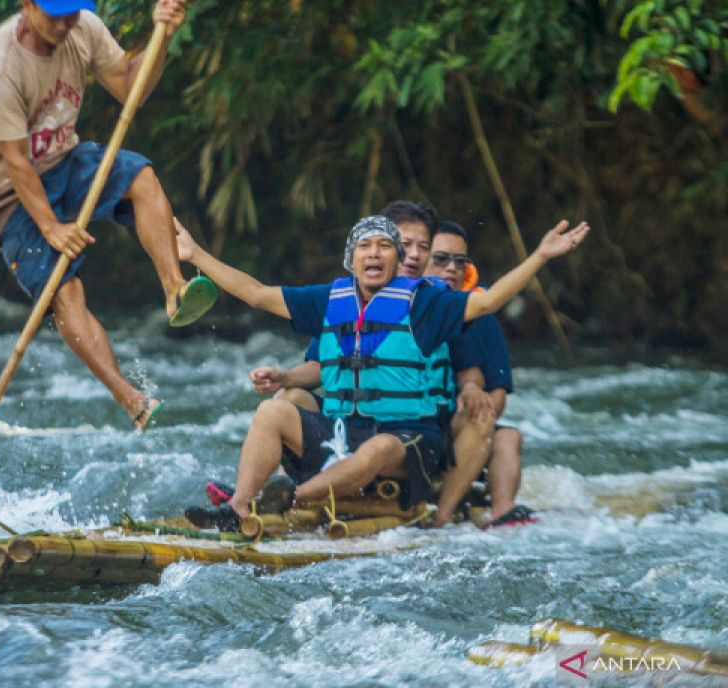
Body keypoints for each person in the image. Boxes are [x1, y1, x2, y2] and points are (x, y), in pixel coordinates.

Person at [176, 213, 588, 530]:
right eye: (365, 246)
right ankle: (237, 508)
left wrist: (540, 256)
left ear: (397, 259)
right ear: (351, 259)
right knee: (272, 411)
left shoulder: (425, 303)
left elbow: (488, 301)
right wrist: (196, 256)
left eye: (384, 246)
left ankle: (287, 500)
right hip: (341, 431)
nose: (374, 253)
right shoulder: (329, 298)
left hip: (409, 443)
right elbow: (257, 294)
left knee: (378, 449)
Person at [0, 0, 217, 429]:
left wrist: (162, 36)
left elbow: (130, 87)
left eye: (72, 10)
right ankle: (132, 401)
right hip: (6, 196)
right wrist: (51, 227)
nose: (64, 22)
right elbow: (15, 162)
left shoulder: (82, 28)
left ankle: (174, 290)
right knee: (65, 289)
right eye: (54, 12)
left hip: (64, 159)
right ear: (27, 5)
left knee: (141, 176)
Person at [426, 221, 533, 527]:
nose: (452, 268)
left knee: (508, 437)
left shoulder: (480, 314)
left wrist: (477, 410)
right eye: (441, 259)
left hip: (460, 425)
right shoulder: (398, 305)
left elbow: (498, 389)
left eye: (460, 262)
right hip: (412, 423)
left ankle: (502, 510)